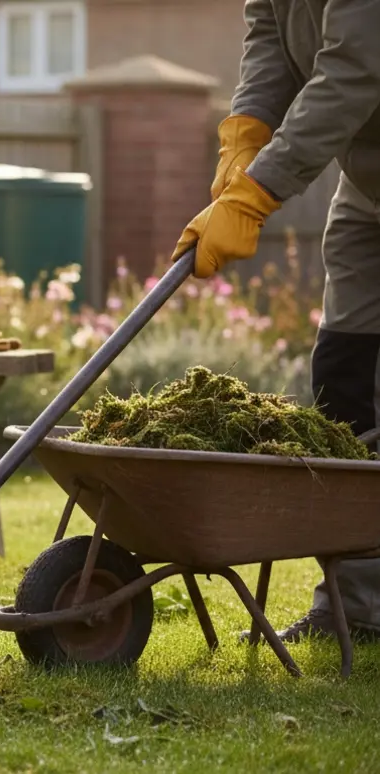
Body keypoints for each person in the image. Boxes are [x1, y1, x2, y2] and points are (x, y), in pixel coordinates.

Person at [173, 0, 380, 643]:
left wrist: (260, 190)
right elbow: (269, 34)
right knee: (343, 375)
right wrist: (245, 133)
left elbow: (355, 68)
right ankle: (358, 610)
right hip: (369, 185)